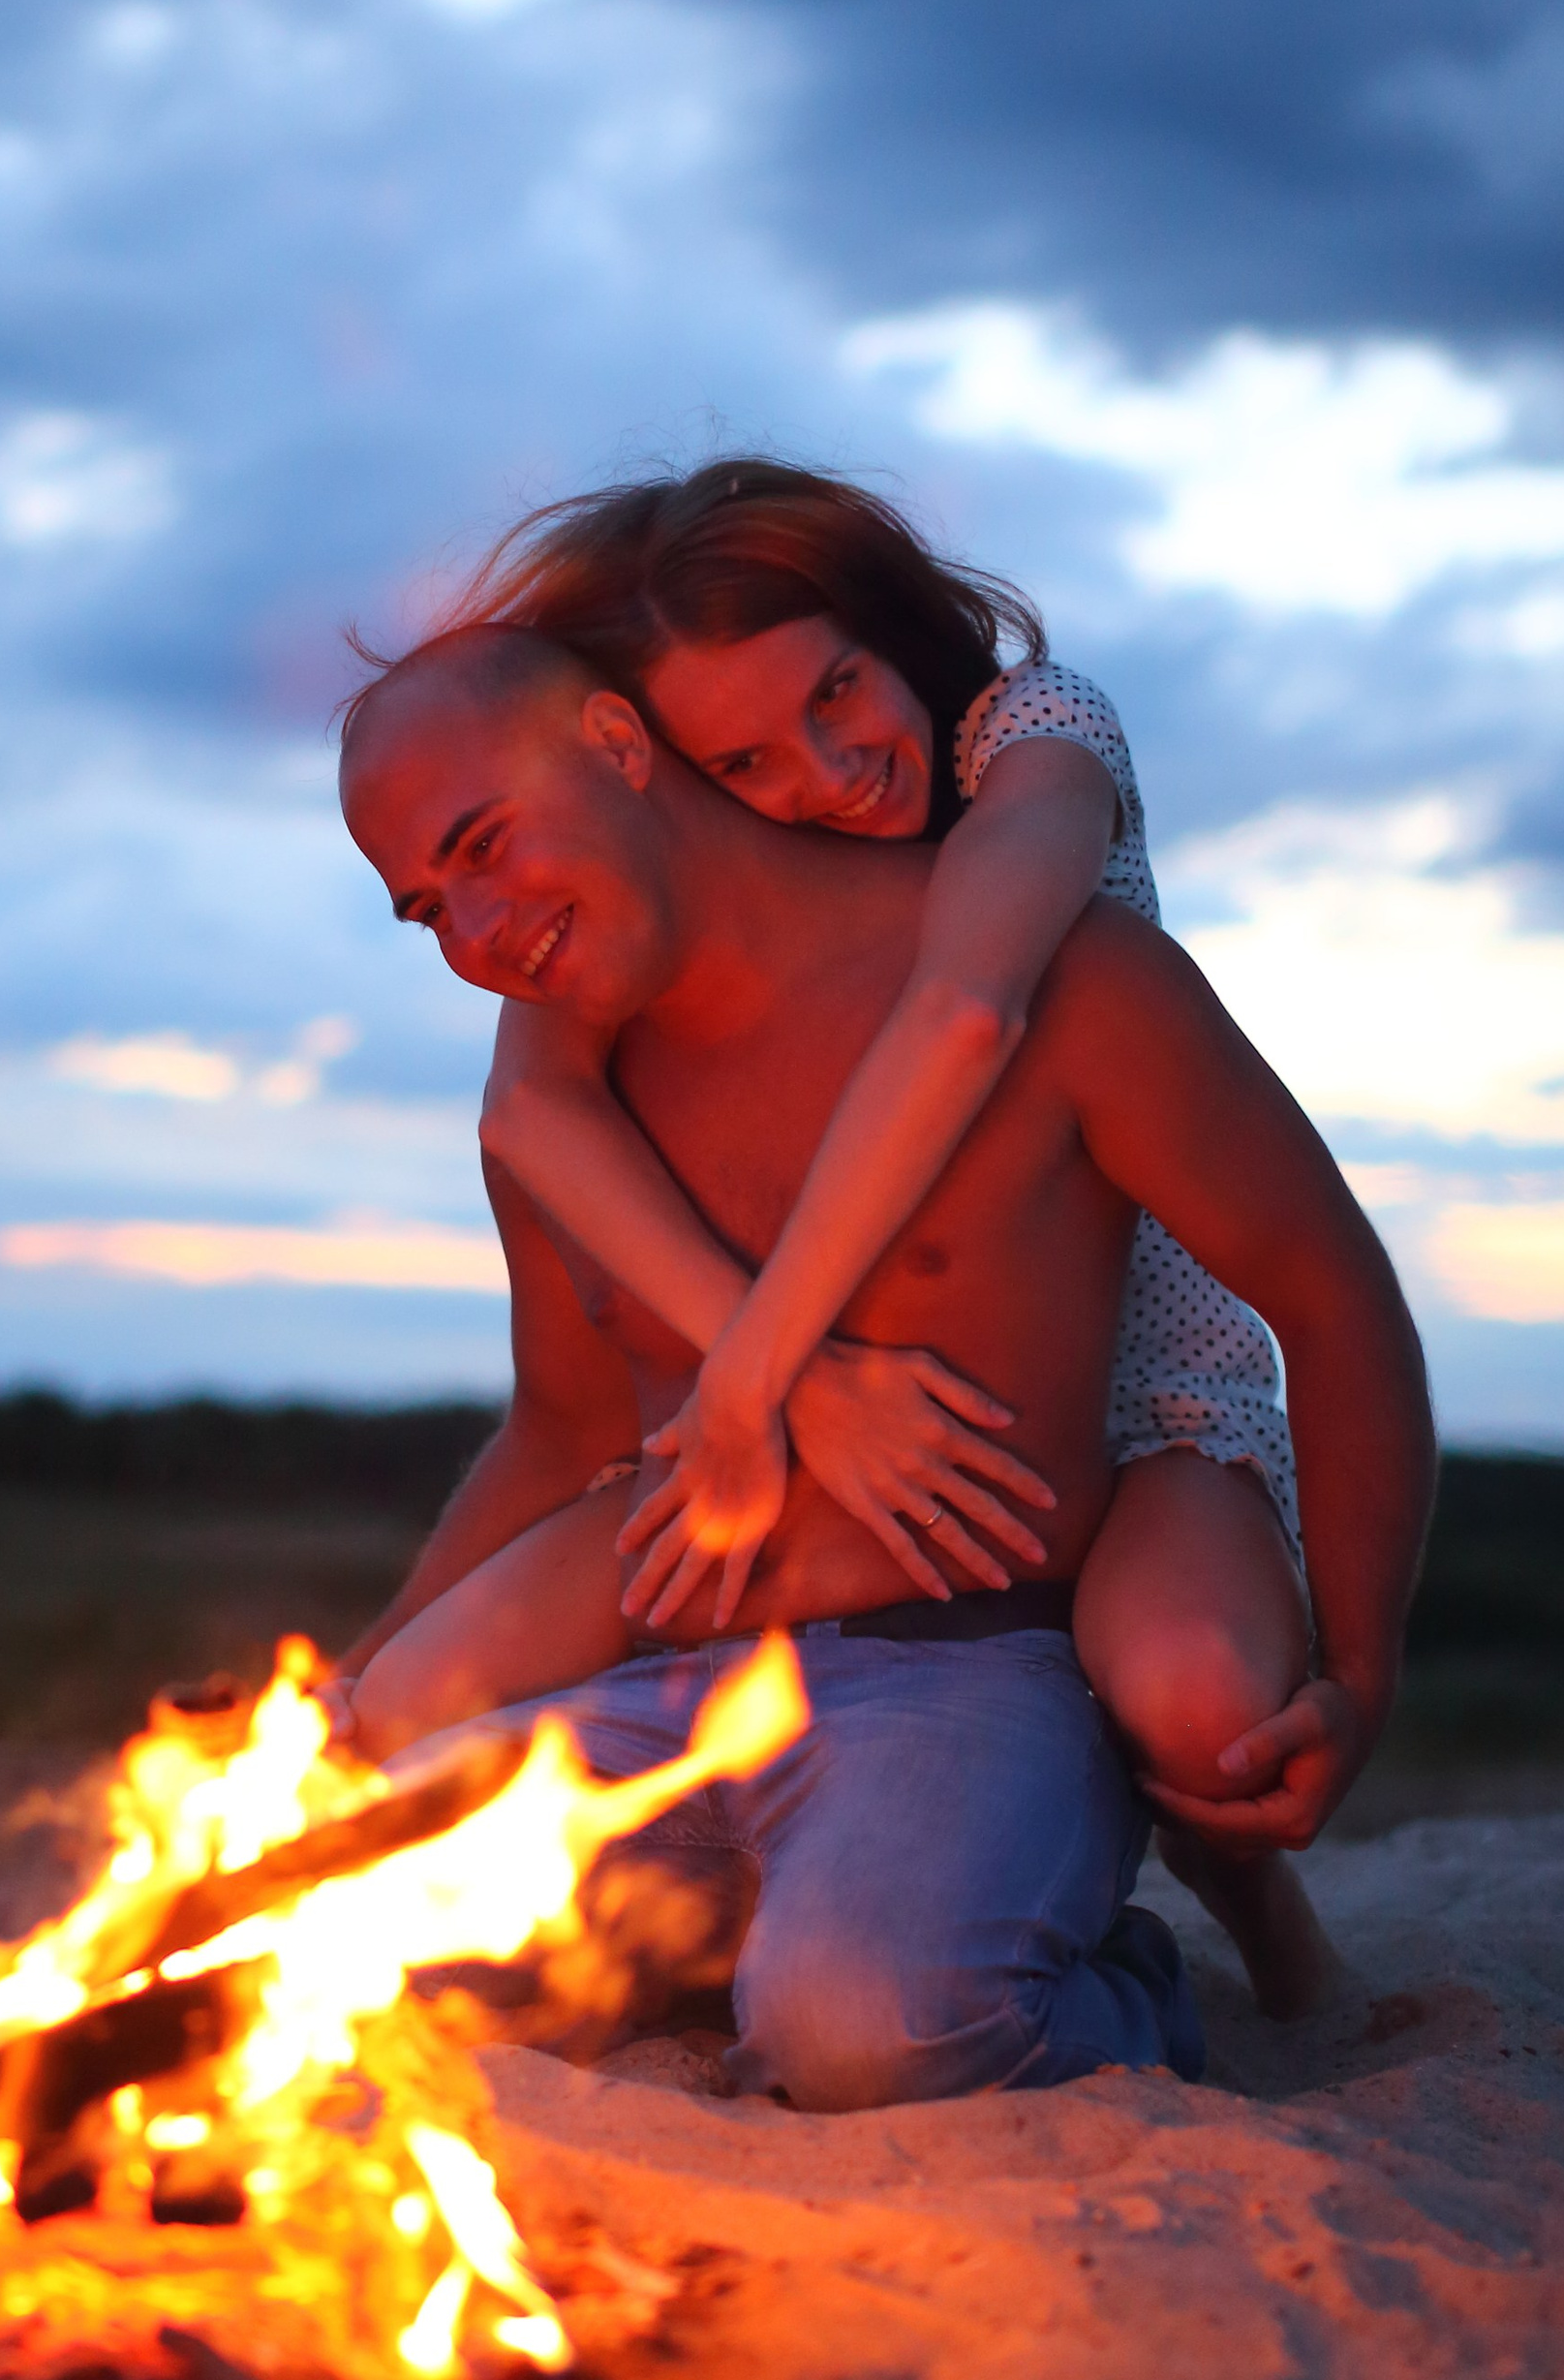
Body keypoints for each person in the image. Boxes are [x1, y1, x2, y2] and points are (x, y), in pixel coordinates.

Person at [334, 624, 1433, 2111]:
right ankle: (742, 1941)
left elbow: (1335, 1295)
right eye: (425, 909)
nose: (472, 933)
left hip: (961, 1677)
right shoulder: (562, 1111)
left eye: (482, 845)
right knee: (324, 1968)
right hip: (662, 1688)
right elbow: (561, 1430)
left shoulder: (1058, 975)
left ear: (611, 743)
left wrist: (1358, 1676)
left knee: (864, 2027)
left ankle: (1121, 1982)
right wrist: (345, 1698)